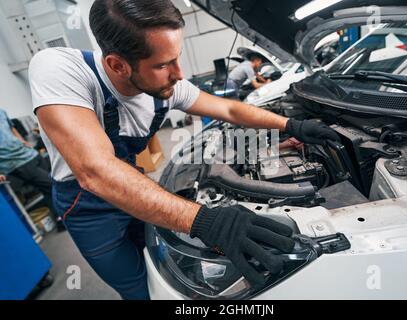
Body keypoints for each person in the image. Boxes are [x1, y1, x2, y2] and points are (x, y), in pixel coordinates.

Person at [29, 0, 339, 300]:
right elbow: (94, 171)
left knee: (171, 263)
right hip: (89, 210)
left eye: (176, 57)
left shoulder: (168, 85)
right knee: (141, 290)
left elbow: (230, 110)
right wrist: (206, 221)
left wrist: (290, 126)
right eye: (163, 64)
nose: (179, 73)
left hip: (133, 183)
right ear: (117, 65)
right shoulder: (61, 69)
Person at [0, 109, 65, 231]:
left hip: (30, 154)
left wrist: (23, 142)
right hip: (16, 163)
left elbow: (12, 129)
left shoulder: (1, 112)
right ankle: (64, 218)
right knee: (53, 184)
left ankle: (60, 220)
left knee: (47, 189)